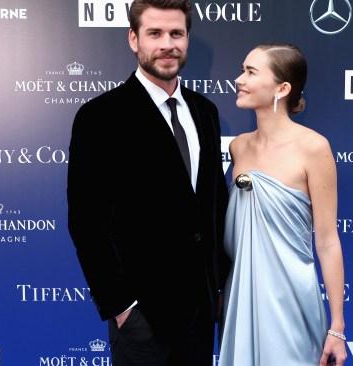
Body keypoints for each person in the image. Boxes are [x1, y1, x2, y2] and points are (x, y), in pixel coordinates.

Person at [67, 1, 230, 365]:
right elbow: (85, 221)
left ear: (188, 39)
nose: (167, 44)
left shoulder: (205, 112)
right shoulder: (100, 116)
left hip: (201, 315)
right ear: (133, 39)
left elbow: (212, 205)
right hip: (142, 318)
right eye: (154, 33)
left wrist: (217, 287)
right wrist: (122, 307)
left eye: (176, 33)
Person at [218, 44, 348, 366]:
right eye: (242, 69)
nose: (239, 79)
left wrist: (337, 327)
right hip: (241, 301)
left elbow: (328, 240)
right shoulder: (238, 147)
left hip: (292, 302)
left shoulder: (314, 148)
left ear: (282, 88)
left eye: (250, 72)